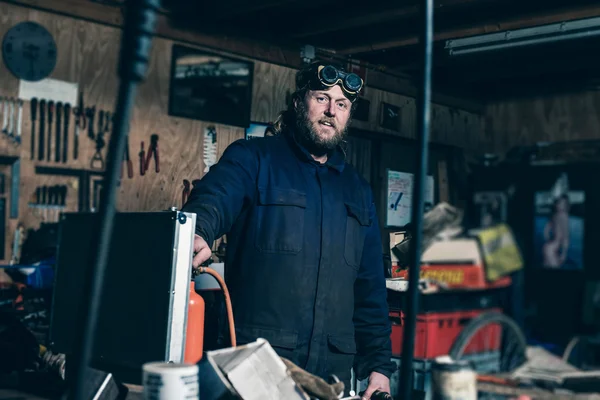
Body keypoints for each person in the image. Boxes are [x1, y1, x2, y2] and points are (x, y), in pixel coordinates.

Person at [182, 61, 395, 398]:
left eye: (341, 104)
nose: (330, 111)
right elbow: (216, 196)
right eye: (321, 98)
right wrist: (199, 230)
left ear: (348, 115)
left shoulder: (358, 190)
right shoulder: (254, 159)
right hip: (258, 369)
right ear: (298, 103)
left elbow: (370, 290)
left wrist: (379, 367)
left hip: (329, 376)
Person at [542, 194, 570, 268]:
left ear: (566, 205)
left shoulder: (555, 215)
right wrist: (564, 254)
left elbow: (546, 230)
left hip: (549, 246)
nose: (560, 205)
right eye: (559, 203)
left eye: (563, 204)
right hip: (552, 248)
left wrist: (548, 239)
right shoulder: (563, 216)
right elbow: (566, 236)